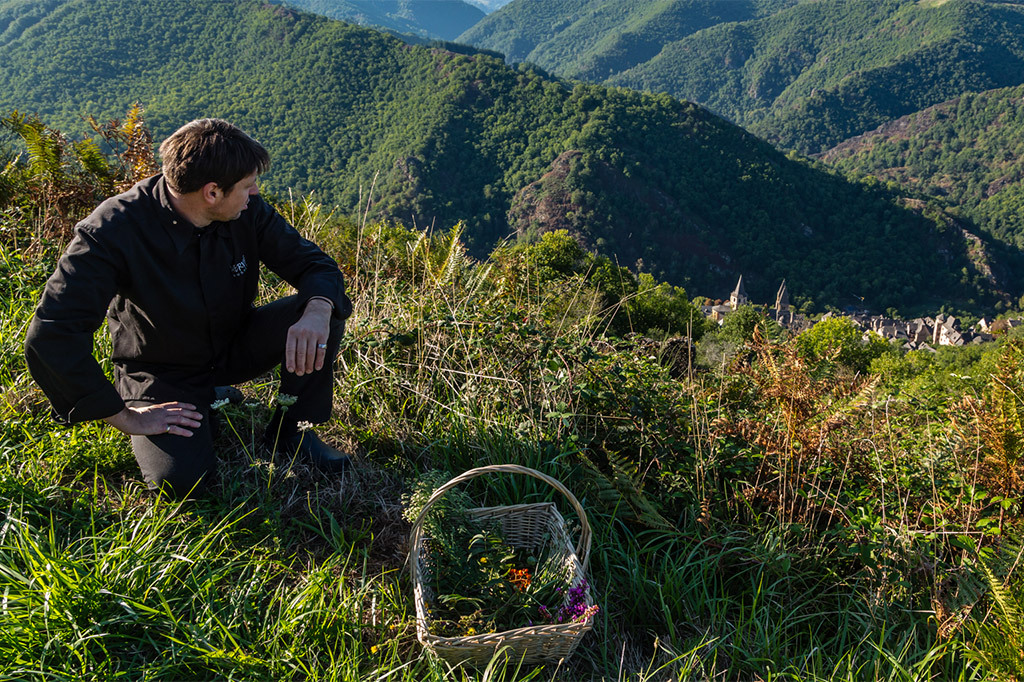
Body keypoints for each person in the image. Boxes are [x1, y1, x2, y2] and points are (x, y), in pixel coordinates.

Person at [24, 118, 353, 497]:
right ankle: (205, 402)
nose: (255, 192)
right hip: (163, 371)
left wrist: (316, 311)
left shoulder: (249, 210)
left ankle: (292, 433)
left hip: (232, 344)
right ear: (212, 192)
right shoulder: (111, 231)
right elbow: (52, 334)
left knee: (319, 310)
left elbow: (315, 266)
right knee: (182, 482)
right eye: (247, 186)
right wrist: (123, 415)